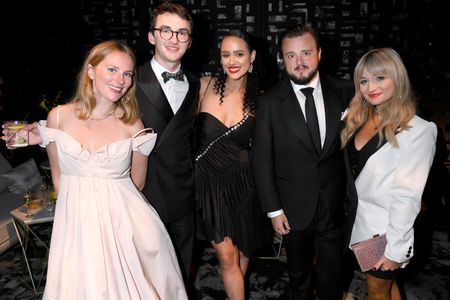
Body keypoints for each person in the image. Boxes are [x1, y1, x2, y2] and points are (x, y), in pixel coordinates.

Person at [36, 40, 187, 299]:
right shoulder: (58, 117)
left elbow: (137, 183)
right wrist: (75, 223)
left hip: (123, 227)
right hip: (76, 227)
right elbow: (58, 177)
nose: (121, 80)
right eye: (112, 70)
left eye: (127, 74)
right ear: (91, 71)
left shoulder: (132, 124)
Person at [252, 24, 354, 300]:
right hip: (292, 208)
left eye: (306, 53)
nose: (299, 62)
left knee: (333, 275)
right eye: (291, 56)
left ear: (319, 54)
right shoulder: (271, 102)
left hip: (334, 205)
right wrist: (274, 211)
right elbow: (262, 159)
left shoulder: (346, 91)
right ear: (282, 60)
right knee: (299, 277)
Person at [341, 47, 436, 300]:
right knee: (387, 287)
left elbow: (407, 197)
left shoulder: (419, 131)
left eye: (380, 78)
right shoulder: (356, 117)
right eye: (364, 80)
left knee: (377, 291)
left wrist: (396, 249)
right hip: (350, 222)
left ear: (398, 78)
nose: (371, 86)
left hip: (381, 232)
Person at [195, 29, 264, 300]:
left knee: (243, 251)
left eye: (239, 53)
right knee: (226, 257)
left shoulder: (263, 99)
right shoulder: (204, 85)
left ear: (252, 56)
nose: (232, 60)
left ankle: (236, 289)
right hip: (209, 184)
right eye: (226, 54)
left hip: (244, 184)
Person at [136, 1, 199, 281]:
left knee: (180, 275)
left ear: (190, 41)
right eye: (166, 31)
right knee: (146, 278)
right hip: (142, 195)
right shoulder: (130, 79)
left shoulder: (196, 83)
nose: (174, 39)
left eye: (182, 33)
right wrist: (48, 129)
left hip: (184, 196)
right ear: (151, 36)